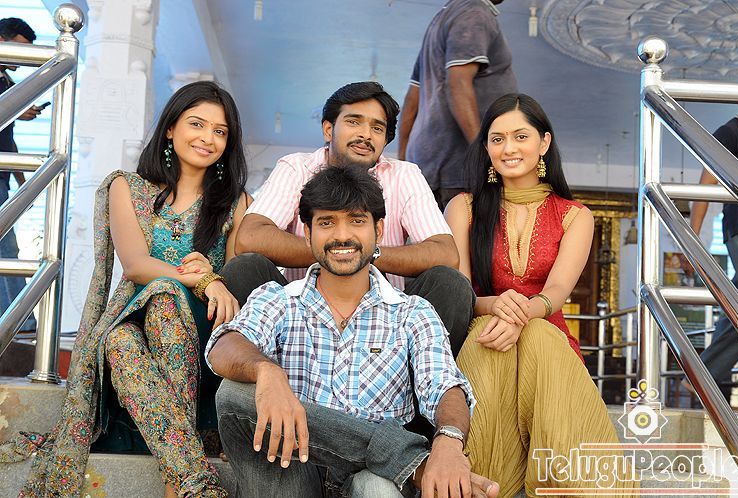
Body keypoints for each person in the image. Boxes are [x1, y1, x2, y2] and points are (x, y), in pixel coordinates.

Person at [0, 81, 250, 498]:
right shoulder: (128, 188)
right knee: (123, 333)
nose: (208, 138)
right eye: (197, 124)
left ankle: (181, 480)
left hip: (203, 341)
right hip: (135, 334)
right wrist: (203, 277)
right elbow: (136, 265)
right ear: (170, 128)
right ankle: (191, 480)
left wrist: (216, 275)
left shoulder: (236, 203)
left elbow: (236, 276)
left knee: (166, 301)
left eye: (220, 131)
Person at [207, 165, 499, 498]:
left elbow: (445, 385)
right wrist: (266, 371)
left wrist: (448, 440)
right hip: (289, 470)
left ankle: (399, 462)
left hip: (371, 476)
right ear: (307, 232)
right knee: (235, 392)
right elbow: (224, 347)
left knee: (376, 487)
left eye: (357, 221)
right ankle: (410, 463)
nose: (342, 235)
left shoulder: (412, 313)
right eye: (327, 222)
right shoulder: (278, 300)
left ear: (379, 230)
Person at [444, 94, 636, 495]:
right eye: (497, 139)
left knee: (538, 336)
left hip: (547, 336)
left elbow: (557, 292)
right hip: (483, 330)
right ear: (486, 148)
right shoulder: (463, 207)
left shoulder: (575, 215)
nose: (509, 148)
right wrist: (497, 306)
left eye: (521, 136)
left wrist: (521, 314)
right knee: (489, 342)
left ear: (544, 142)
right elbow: (460, 291)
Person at [223, 81, 474, 357]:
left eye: (377, 128)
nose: (365, 134)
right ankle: (261, 372)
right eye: (354, 122)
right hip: (298, 321)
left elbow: (445, 253)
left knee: (450, 284)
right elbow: (250, 238)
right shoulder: (297, 168)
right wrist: (334, 252)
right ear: (328, 129)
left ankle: (423, 376)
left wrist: (364, 253)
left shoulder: (405, 175)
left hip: (389, 328)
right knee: (245, 268)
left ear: (385, 140)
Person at [398, 0, 518, 209]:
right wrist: (484, 155)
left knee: (437, 232)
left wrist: (403, 163)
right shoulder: (475, 13)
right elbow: (458, 84)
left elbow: (412, 101)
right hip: (462, 172)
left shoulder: (442, 18)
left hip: (428, 170)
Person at [688, 106, 738, 403]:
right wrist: (691, 238)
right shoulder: (732, 131)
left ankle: (701, 374)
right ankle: (705, 373)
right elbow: (706, 186)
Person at [0, 17, 43, 332]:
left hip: (2, 177)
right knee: (7, 248)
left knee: (6, 249)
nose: (23, 58)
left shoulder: (6, 82)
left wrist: (20, 179)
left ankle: (16, 321)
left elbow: (7, 138)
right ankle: (21, 323)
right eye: (20, 48)